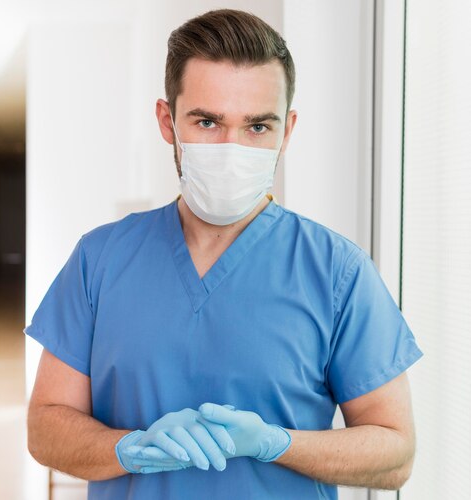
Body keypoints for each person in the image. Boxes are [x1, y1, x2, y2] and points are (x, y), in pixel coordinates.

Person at [25, 9, 423, 499]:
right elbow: (46, 428)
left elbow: (395, 454)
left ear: (288, 130)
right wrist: (125, 448)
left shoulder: (338, 273)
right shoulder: (99, 260)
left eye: (258, 127)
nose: (232, 148)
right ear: (167, 122)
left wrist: (278, 445)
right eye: (208, 122)